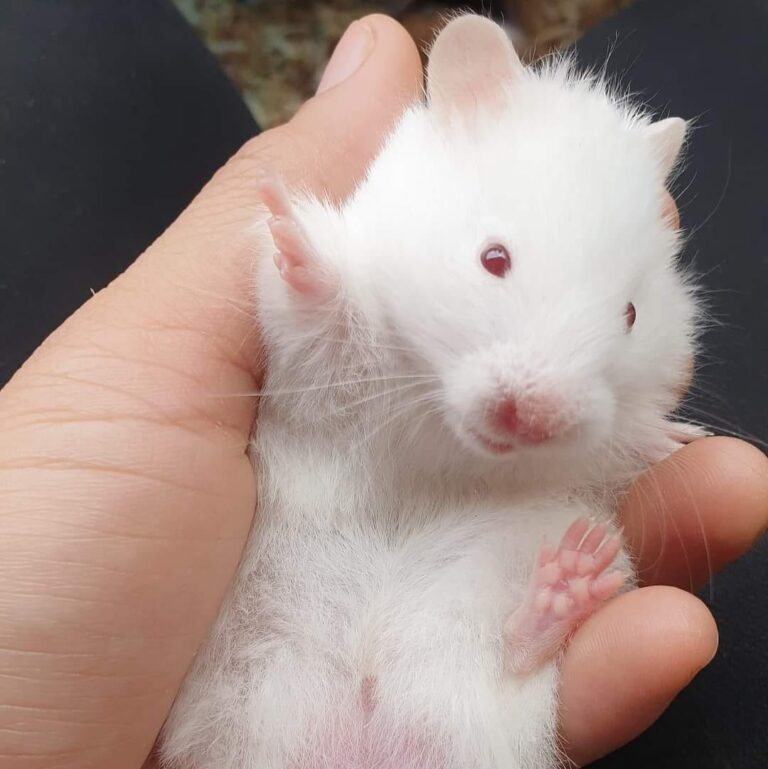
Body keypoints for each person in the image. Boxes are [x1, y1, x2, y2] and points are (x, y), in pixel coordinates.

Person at [0, 3, 765, 768]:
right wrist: (316, 298)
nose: (539, 401)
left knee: (566, 535)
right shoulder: (369, 232)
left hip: (444, 674)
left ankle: (518, 643)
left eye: (623, 314)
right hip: (272, 648)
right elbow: (310, 410)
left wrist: (628, 430)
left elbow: (628, 392)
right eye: (496, 261)